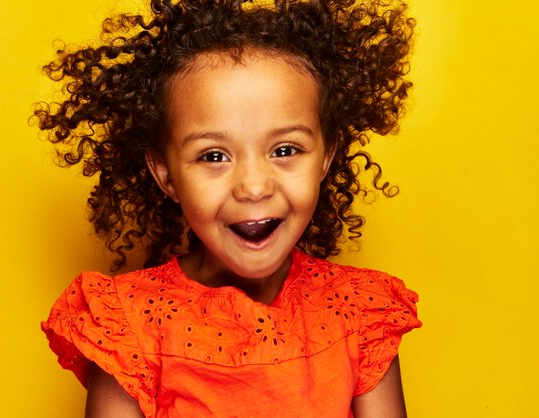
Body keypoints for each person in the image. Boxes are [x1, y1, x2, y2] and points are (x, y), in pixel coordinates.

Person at [37, 0, 421, 416]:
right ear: (165, 174)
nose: (254, 187)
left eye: (285, 149)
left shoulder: (362, 313)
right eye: (214, 156)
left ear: (326, 156)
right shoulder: (125, 326)